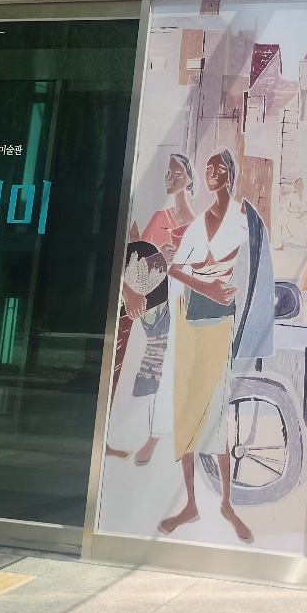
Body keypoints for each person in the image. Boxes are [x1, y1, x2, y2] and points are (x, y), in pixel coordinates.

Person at [158, 149, 274, 544]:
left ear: (230, 174)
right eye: (207, 167)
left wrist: (225, 293)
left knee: (217, 414)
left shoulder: (245, 220)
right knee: (187, 412)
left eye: (218, 167)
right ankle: (191, 504)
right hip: (190, 322)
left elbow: (252, 275)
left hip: (221, 326)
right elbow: (175, 268)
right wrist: (206, 285)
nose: (211, 172)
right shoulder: (199, 223)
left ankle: (226, 503)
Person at [105, 153, 195, 461]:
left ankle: (156, 435)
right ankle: (120, 435)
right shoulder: (156, 217)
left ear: (190, 179)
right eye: (167, 173)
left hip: (178, 304)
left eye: (176, 174)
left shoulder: (196, 224)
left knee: (165, 369)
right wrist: (160, 261)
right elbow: (137, 264)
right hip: (147, 306)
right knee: (129, 366)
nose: (169, 179)